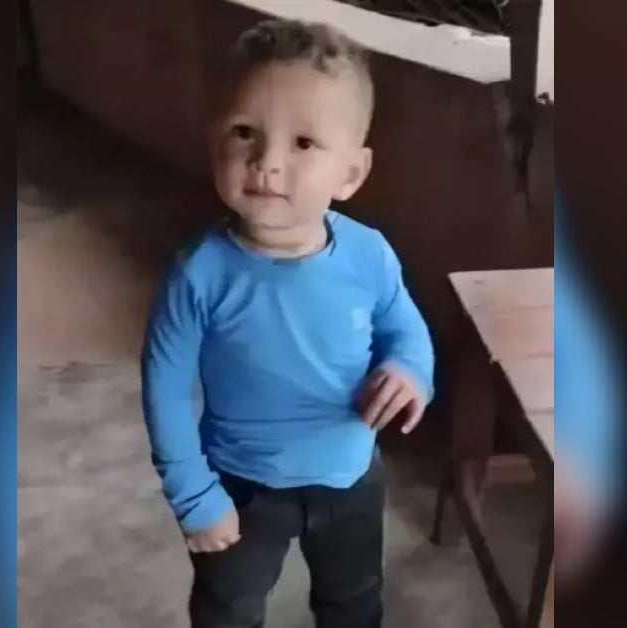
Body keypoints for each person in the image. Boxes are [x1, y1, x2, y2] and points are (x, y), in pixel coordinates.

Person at [140, 19, 434, 628]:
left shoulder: (369, 255)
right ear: (214, 144)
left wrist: (411, 368)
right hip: (240, 484)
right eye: (245, 132)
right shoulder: (199, 274)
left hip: (351, 476)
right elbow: (163, 388)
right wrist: (194, 496)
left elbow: (404, 326)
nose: (266, 162)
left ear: (351, 173)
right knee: (228, 608)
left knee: (354, 601)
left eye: (303, 143)